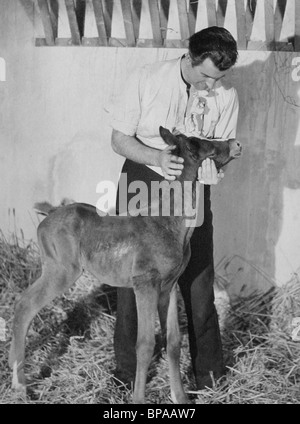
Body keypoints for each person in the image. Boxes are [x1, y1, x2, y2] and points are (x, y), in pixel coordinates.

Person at [110, 26, 239, 390]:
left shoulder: (227, 94)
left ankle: (208, 379)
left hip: (191, 189)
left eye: (220, 79)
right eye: (206, 77)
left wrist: (216, 166)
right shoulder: (146, 78)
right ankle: (126, 377)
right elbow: (119, 138)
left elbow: (223, 148)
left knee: (198, 279)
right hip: (143, 180)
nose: (212, 87)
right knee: (134, 283)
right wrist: (156, 157)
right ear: (190, 57)